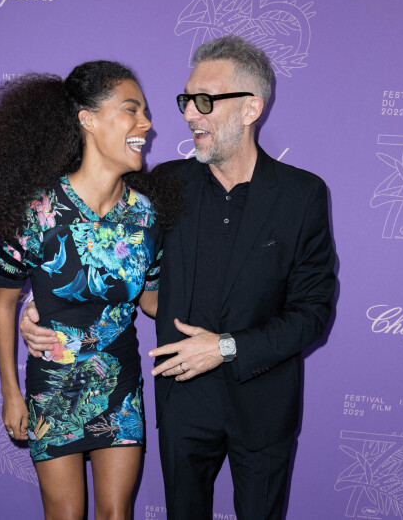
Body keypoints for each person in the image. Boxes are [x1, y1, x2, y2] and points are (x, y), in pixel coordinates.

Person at [20, 36, 336, 520]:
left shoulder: (303, 195)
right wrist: (45, 306)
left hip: (264, 406)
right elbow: (102, 251)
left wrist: (225, 346)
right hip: (183, 404)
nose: (190, 114)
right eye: (186, 100)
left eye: (205, 102)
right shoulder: (162, 187)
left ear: (251, 108)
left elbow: (312, 314)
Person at [0, 63, 181, 520]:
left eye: (145, 112)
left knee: (115, 514)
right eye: (131, 110)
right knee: (64, 514)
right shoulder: (38, 212)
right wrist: (9, 391)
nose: (147, 124)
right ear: (88, 119)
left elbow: (151, 299)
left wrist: (213, 314)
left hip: (120, 383)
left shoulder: (148, 217)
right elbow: (4, 301)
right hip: (53, 387)